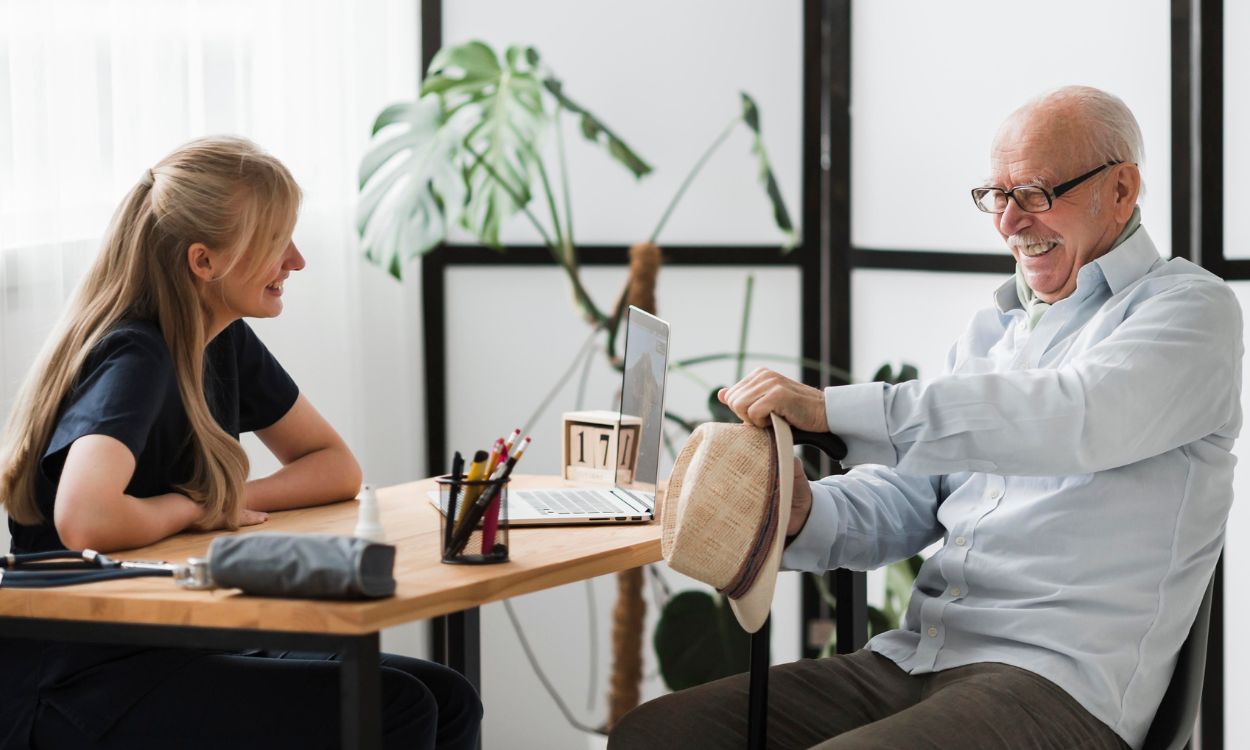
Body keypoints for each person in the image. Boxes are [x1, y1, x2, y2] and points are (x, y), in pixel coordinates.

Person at [609, 85, 1242, 750]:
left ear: (1121, 189)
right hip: (919, 657)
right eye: (996, 196)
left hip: (1058, 687)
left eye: (1033, 193)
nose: (1009, 222)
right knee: (660, 735)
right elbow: (916, 495)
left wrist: (829, 409)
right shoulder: (996, 330)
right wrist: (806, 513)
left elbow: (1073, 417)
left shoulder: (1190, 311)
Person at [0, 136, 482, 749]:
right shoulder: (137, 354)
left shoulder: (219, 338)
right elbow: (85, 519)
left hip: (174, 641)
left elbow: (335, 466)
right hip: (78, 678)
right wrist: (196, 507)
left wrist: (229, 500)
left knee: (446, 695)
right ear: (204, 262)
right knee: (397, 706)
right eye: (278, 241)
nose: (297, 260)